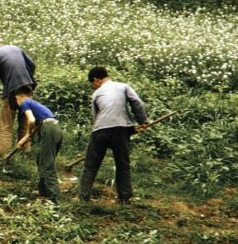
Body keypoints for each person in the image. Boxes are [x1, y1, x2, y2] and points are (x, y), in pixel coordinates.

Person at [78, 67, 149, 204]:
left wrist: (99, 133)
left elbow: (95, 117)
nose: (93, 86)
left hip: (100, 130)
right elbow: (137, 102)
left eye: (92, 84)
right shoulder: (123, 86)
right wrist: (143, 121)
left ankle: (83, 197)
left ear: (96, 80)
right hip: (121, 129)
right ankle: (125, 198)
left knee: (91, 165)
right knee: (122, 164)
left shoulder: (96, 94)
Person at [0, 35, 37, 156]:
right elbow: (32, 65)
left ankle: (3, 155)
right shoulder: (16, 48)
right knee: (25, 122)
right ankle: (24, 153)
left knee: (6, 125)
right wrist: (26, 78)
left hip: (12, 91)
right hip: (28, 87)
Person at [13, 86, 62, 202]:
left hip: (49, 129)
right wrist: (24, 140)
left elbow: (31, 121)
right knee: (41, 159)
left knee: (47, 163)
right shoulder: (34, 104)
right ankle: (43, 190)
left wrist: (28, 135)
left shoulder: (25, 102)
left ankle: (55, 198)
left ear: (17, 97)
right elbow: (35, 126)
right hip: (56, 128)